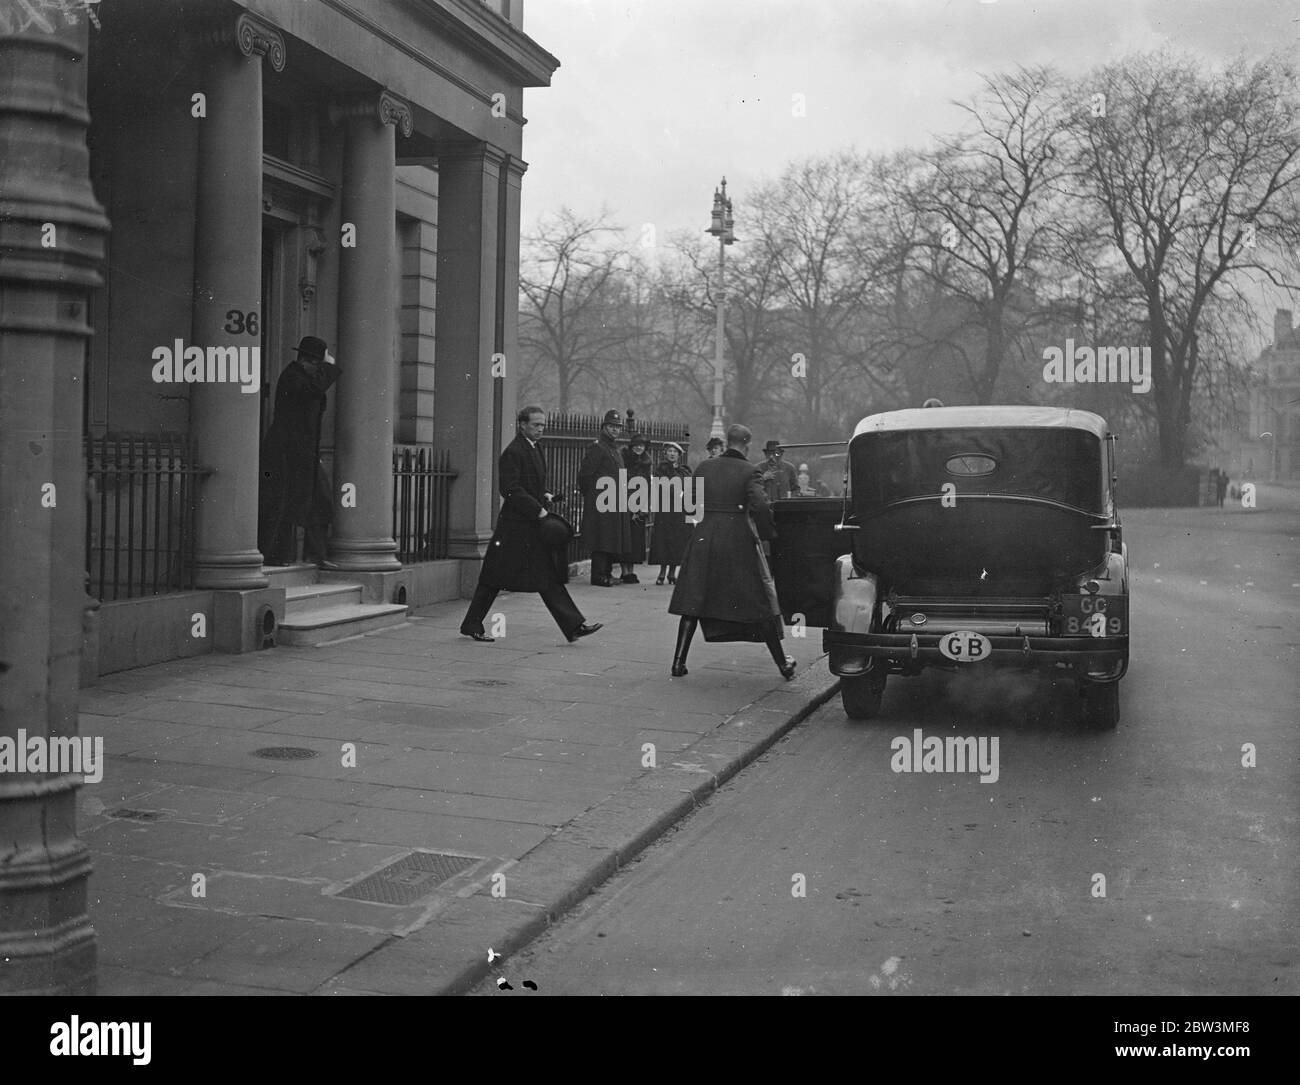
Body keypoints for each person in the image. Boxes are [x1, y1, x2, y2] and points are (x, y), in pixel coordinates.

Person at [459, 406, 602, 644]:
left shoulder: (535, 448)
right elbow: (510, 489)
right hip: (514, 528)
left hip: (529, 527)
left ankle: (574, 625)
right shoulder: (513, 452)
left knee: (546, 577)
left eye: (543, 425)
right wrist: (538, 509)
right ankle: (471, 623)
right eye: (536, 425)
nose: (540, 429)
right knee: (493, 579)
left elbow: (528, 484)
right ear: (522, 425)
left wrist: (544, 495)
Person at [668, 423, 795, 681]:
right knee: (758, 602)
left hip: (704, 536)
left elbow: (688, 503)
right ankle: (783, 664)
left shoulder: (705, 467)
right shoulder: (750, 471)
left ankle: (678, 663)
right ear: (746, 444)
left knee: (693, 600)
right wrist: (769, 534)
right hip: (737, 537)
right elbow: (760, 506)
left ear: (727, 442)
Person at [259, 335, 338, 567]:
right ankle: (276, 556)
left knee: (321, 503)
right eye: (317, 364)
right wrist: (329, 367)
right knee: (282, 504)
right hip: (284, 453)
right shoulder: (292, 377)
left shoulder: (304, 377)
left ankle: (316, 555)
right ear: (308, 361)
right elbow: (313, 390)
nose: (318, 369)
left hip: (304, 454)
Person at [578, 409, 634, 587]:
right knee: (601, 539)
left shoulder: (614, 449)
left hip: (614, 501)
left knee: (610, 539)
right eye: (611, 426)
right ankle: (599, 576)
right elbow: (585, 476)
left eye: (618, 427)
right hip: (601, 501)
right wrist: (594, 496)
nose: (615, 430)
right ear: (604, 427)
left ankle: (607, 573)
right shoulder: (598, 447)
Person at [649, 442, 692, 585]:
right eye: (670, 451)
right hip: (665, 510)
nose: (672, 454)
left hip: (679, 511)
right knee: (664, 540)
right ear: (665, 454)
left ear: (679, 455)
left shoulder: (684, 471)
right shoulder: (661, 469)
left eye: (675, 452)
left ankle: (672, 573)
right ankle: (662, 572)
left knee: (677, 540)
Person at [620, 432, 653, 582]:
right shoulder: (624, 460)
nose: (639, 448)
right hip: (625, 501)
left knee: (636, 539)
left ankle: (631, 571)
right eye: (637, 445)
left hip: (639, 501)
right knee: (624, 538)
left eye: (642, 446)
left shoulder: (646, 463)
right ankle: (624, 571)